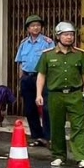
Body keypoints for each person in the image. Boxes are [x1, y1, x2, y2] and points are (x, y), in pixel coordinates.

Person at [35, 22, 84, 168]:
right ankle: (59, 155)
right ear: (58, 36)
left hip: (75, 95)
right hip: (56, 95)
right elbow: (41, 75)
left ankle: (81, 157)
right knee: (56, 126)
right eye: (66, 35)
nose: (69, 37)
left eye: (71, 34)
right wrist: (38, 94)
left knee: (78, 126)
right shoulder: (48, 55)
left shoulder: (79, 55)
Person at [14, 14, 54, 146]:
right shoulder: (23, 43)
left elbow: (53, 62)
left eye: (38, 25)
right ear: (28, 28)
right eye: (32, 26)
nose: (35, 28)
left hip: (43, 77)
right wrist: (21, 80)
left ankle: (48, 137)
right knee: (30, 108)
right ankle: (37, 136)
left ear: (41, 27)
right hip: (27, 78)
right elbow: (20, 63)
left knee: (47, 108)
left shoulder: (47, 42)